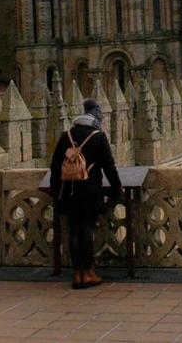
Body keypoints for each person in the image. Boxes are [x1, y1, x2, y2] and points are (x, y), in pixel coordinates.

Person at [49, 97, 122, 289]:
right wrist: (117, 188)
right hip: (90, 192)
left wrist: (56, 192)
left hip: (69, 191)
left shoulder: (67, 135)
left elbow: (55, 166)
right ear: (96, 116)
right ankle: (89, 272)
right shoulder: (98, 136)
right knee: (87, 230)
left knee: (74, 230)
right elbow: (109, 166)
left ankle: (76, 274)